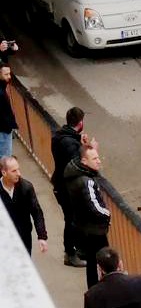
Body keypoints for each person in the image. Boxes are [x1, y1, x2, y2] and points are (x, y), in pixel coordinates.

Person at [63, 139, 111, 287]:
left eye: (98, 157)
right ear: (84, 161)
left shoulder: (74, 172)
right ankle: (106, 289)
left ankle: (94, 289)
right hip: (94, 230)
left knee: (91, 263)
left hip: (84, 227)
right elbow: (94, 206)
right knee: (105, 260)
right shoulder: (86, 181)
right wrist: (107, 213)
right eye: (95, 158)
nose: (99, 161)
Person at [51, 107, 87, 267]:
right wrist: (86, 149)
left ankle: (76, 249)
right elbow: (75, 165)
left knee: (73, 218)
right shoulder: (69, 143)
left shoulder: (61, 136)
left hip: (61, 184)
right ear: (80, 123)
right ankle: (71, 253)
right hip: (67, 188)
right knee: (71, 219)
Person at [0, 155, 48, 256]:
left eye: (18, 169)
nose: (19, 173)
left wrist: (42, 236)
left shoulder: (26, 188)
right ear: (4, 173)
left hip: (23, 237)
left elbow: (37, 212)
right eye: (14, 171)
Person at [0, 63, 17, 158]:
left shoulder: (2, 87)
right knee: (5, 157)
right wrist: (9, 126)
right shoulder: (0, 93)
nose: (9, 77)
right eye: (6, 74)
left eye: (9, 73)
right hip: (3, 130)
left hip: (4, 128)